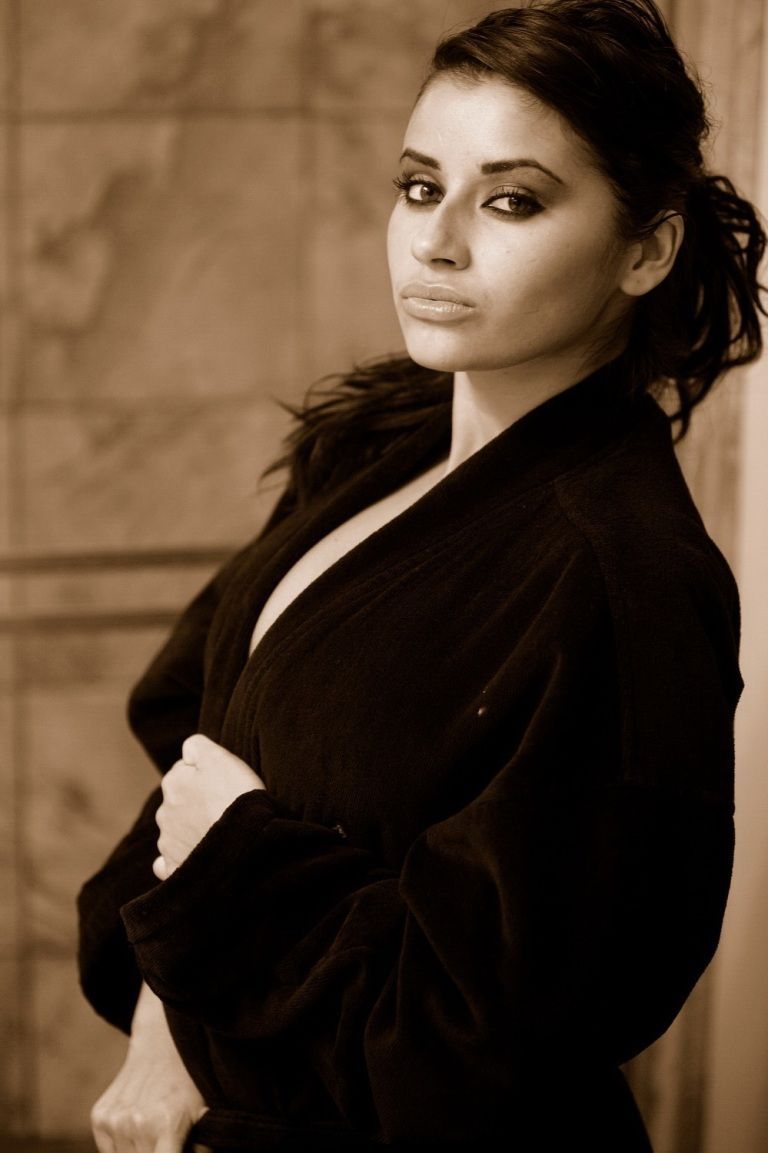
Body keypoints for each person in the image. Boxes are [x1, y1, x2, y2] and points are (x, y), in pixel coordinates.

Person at [77, 1, 766, 1150]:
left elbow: (482, 1036)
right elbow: (195, 752)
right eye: (415, 185)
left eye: (511, 200)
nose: (435, 241)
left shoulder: (622, 576)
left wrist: (238, 869)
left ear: (646, 248)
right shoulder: (375, 448)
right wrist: (166, 1016)